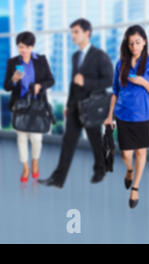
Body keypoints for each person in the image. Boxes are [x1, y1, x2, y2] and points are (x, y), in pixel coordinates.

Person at [39, 18, 113, 188]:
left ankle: (100, 169)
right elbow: (74, 83)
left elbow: (109, 80)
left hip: (92, 107)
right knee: (68, 142)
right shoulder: (75, 56)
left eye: (76, 32)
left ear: (87, 33)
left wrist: (86, 81)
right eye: (72, 32)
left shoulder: (99, 55)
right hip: (75, 107)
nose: (73, 35)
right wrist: (68, 104)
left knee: (95, 140)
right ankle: (58, 179)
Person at [104, 25, 149, 209]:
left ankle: (135, 187)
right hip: (123, 114)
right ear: (127, 46)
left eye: (137, 42)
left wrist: (143, 81)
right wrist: (109, 116)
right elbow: (115, 91)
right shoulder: (121, 64)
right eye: (131, 43)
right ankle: (129, 169)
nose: (134, 46)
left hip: (143, 115)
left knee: (141, 152)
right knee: (126, 153)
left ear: (144, 42)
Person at [3, 31, 54, 183]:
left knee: (37, 138)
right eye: (20, 47)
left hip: (37, 104)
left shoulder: (41, 60)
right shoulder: (13, 62)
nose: (23, 50)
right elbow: (6, 87)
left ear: (32, 47)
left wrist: (40, 85)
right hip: (20, 105)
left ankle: (35, 162)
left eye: (26, 47)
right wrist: (14, 79)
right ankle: (25, 167)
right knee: (21, 138)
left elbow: (51, 80)